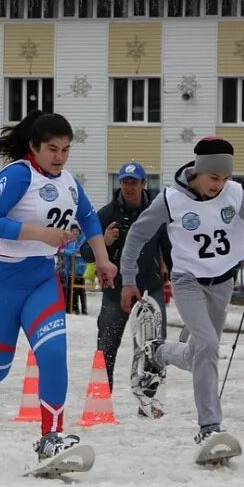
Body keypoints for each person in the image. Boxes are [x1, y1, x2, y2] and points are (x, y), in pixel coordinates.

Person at [0, 110, 117, 460]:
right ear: (34, 147)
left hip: (41, 280)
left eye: (66, 150)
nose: (59, 157)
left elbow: (87, 216)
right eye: (52, 149)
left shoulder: (69, 182)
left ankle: (51, 437)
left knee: (54, 355)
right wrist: (42, 233)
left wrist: (102, 259)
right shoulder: (17, 175)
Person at [120, 137, 244, 450]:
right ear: (198, 171)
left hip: (223, 282)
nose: (219, 185)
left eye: (225, 178)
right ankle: (209, 427)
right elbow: (136, 237)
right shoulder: (171, 200)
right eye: (213, 178)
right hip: (188, 281)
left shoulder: (234, 194)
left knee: (200, 356)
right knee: (208, 345)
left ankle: (156, 353)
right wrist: (128, 279)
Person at [80, 161, 171, 400]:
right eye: (125, 182)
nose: (129, 187)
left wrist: (177, 277)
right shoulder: (106, 214)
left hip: (150, 287)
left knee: (153, 344)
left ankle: (148, 397)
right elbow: (85, 253)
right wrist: (105, 242)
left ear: (144, 184)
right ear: (119, 184)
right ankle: (101, 399)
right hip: (115, 289)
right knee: (107, 345)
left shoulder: (157, 212)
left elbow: (169, 249)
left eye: (134, 182)